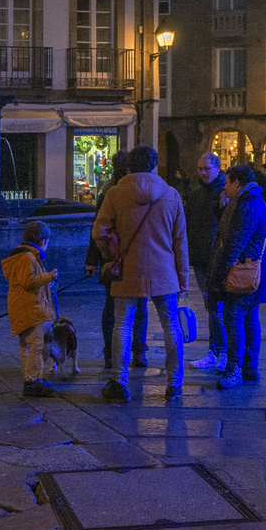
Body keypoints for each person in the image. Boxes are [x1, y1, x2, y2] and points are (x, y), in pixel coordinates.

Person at [92, 145, 189, 403]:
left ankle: (119, 381)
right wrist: (182, 275)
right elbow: (180, 241)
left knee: (122, 324)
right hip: (164, 272)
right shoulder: (171, 195)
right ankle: (175, 383)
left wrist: (111, 254)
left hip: (128, 271)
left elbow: (98, 232)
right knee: (171, 325)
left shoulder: (115, 194)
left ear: (129, 166)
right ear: (155, 165)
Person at [208, 164, 266, 388]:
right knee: (249, 318)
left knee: (233, 319)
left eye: (227, 182)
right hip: (248, 269)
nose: (224, 186)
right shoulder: (246, 200)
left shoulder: (248, 206)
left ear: (237, 183)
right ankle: (250, 367)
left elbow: (235, 243)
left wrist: (218, 275)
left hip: (241, 270)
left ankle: (234, 368)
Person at [87, 151, 148, 372]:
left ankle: (111, 354)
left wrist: (94, 259)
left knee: (113, 308)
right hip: (138, 256)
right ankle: (138, 351)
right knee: (139, 305)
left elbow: (97, 228)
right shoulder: (143, 191)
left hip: (114, 258)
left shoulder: (109, 192)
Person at [4, 220, 59, 398]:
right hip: (31, 309)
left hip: (22, 309)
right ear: (43, 240)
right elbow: (29, 282)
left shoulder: (23, 255)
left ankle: (30, 378)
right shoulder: (28, 257)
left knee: (25, 345)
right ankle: (31, 381)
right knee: (35, 345)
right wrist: (49, 276)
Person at [184, 151, 228, 371]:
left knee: (218, 307)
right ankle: (215, 351)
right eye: (199, 169)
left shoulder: (225, 193)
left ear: (218, 168)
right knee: (210, 306)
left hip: (219, 260)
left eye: (206, 169)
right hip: (201, 260)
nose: (202, 173)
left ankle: (222, 352)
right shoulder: (197, 194)